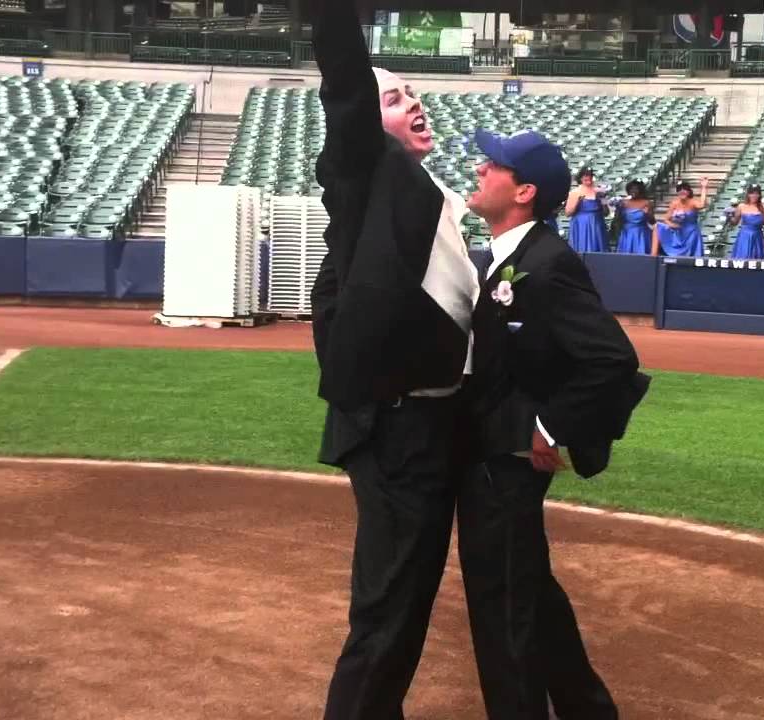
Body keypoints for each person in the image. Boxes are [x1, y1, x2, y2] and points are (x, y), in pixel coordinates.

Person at [310, 1, 480, 717]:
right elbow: (347, 85)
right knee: (387, 610)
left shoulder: (430, 195)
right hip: (396, 427)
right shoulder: (367, 171)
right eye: (393, 98)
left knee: (405, 606)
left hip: (433, 423)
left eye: (412, 91)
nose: (411, 102)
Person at [460, 128, 651, 720]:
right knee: (529, 593)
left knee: (503, 603)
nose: (479, 169)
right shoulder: (504, 255)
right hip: (490, 451)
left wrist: (549, 425)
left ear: (524, 192)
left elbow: (612, 359)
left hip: (508, 459)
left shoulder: (547, 262)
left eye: (493, 165)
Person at [653, 179, 708, 257]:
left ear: (689, 192)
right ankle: (653, 257)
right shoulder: (674, 203)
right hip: (678, 232)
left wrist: (704, 187)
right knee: (658, 226)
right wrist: (672, 225)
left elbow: (702, 204)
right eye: (680, 190)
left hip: (691, 233)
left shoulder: (693, 202)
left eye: (684, 189)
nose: (682, 191)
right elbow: (666, 219)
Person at [564, 167, 607, 253]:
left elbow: (606, 213)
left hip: (597, 224)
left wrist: (603, 201)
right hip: (581, 225)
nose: (589, 177)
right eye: (586, 175)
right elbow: (567, 213)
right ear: (581, 178)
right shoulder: (575, 192)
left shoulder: (599, 191)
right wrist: (577, 202)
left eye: (590, 175)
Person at [728, 183, 764, 260]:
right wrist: (729, 216)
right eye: (752, 193)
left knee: (757, 258)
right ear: (748, 194)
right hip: (744, 237)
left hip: (757, 237)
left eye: (756, 193)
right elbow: (735, 222)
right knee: (742, 257)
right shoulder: (741, 206)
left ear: (759, 195)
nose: (754, 196)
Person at [614, 180, 654, 254]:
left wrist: (648, 214)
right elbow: (617, 219)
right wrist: (618, 209)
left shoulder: (647, 203)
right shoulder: (623, 203)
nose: (633, 191)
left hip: (641, 234)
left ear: (640, 191)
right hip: (627, 233)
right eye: (631, 189)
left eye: (636, 189)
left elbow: (652, 222)